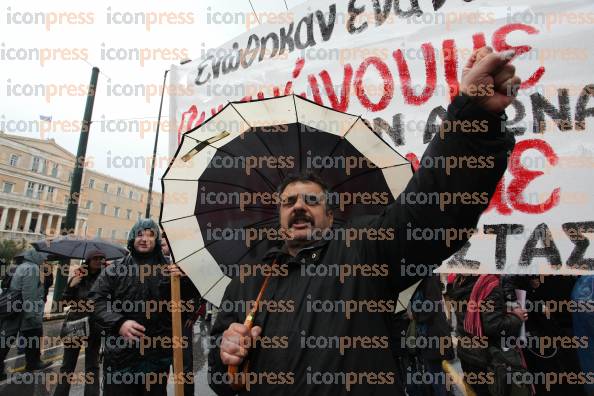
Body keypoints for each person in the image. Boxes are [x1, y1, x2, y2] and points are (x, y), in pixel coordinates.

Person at [208, 46, 520, 395]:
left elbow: (428, 211)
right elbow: (220, 379)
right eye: (289, 201)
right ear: (279, 214)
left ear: (330, 215)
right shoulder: (250, 280)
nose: (299, 206)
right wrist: (226, 354)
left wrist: (472, 118)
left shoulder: (362, 250)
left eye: (312, 200)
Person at [90, 219, 195, 396]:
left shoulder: (171, 270)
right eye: (140, 234)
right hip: (120, 359)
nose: (144, 239)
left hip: (155, 359)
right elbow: (96, 302)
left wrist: (185, 282)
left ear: (156, 240)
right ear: (132, 238)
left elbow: (186, 306)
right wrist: (119, 323)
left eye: (150, 235)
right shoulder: (115, 270)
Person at [53, 249, 106, 396]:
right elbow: (63, 303)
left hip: (95, 326)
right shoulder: (78, 277)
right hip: (75, 324)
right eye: (95, 258)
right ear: (88, 260)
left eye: (101, 258)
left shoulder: (106, 277)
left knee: (92, 366)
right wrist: (72, 285)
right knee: (67, 366)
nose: (98, 261)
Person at [0, 249, 51, 381]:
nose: (44, 260)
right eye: (43, 258)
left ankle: (32, 363)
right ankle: (33, 363)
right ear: (37, 257)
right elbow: (28, 293)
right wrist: (31, 315)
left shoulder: (23, 266)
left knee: (7, 338)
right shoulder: (32, 268)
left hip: (14, 308)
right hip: (23, 310)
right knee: (33, 333)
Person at [161, 234, 202, 396]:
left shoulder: (186, 264)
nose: (164, 247)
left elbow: (198, 292)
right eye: (162, 244)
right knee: (160, 368)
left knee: (184, 366)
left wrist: (193, 316)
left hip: (182, 322)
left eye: (166, 244)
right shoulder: (155, 264)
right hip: (161, 325)